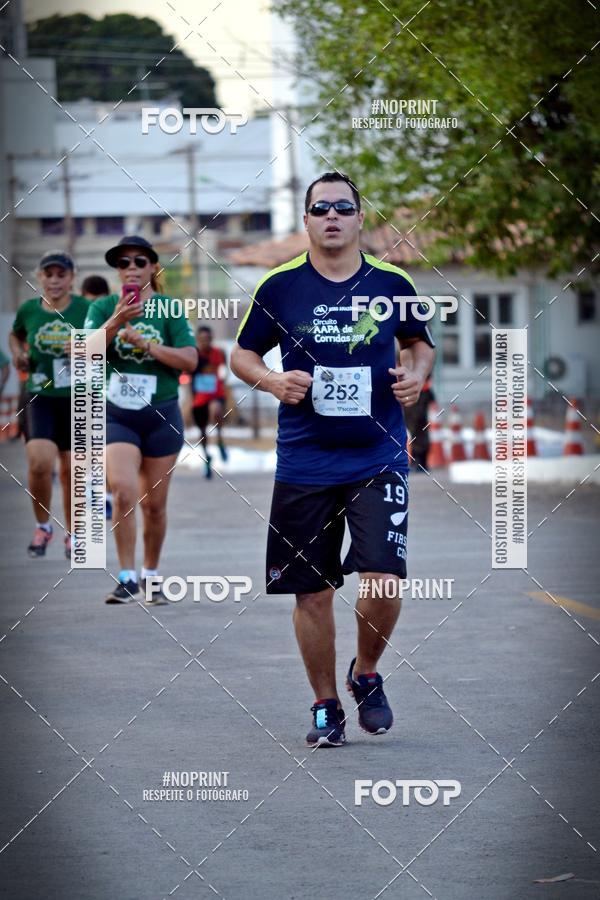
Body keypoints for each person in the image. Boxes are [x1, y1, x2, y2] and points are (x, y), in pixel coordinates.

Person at [231, 172, 436, 747]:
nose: (332, 216)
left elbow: (419, 343)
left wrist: (416, 377)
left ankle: (365, 672)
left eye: (343, 207)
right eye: (320, 207)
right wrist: (271, 380)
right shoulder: (280, 287)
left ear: (359, 218)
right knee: (312, 592)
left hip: (378, 456)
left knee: (385, 579)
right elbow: (241, 355)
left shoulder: (392, 283)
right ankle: (325, 705)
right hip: (305, 463)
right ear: (306, 219)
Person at [84, 236, 197, 604]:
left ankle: (151, 575)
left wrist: (146, 344)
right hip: (118, 416)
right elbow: (87, 353)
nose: (131, 268)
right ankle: (126, 576)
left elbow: (189, 360)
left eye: (139, 262)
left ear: (152, 268)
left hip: (161, 415)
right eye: (123, 263)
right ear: (117, 271)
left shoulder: (168, 308)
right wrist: (117, 321)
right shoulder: (102, 307)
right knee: (123, 491)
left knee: (154, 506)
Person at [8, 251, 89, 558]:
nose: (55, 281)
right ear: (39, 277)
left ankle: (75, 534)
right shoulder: (29, 310)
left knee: (71, 472)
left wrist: (85, 345)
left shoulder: (86, 308)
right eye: (49, 274)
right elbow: (14, 335)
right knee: (40, 465)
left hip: (77, 397)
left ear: (72, 278)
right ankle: (44, 526)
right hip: (40, 394)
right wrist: (18, 352)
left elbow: (106, 339)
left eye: (61, 275)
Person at [80, 273, 114, 517]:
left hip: (107, 390)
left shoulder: (108, 314)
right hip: (89, 388)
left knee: (105, 447)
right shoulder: (90, 316)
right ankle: (96, 489)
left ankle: (106, 495)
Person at [190, 325, 228, 478]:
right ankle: (207, 458)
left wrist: (222, 378)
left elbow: (224, 370)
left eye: (208, 338)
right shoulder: (193, 355)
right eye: (202, 339)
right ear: (198, 340)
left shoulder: (218, 353)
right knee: (202, 431)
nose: (206, 341)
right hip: (199, 398)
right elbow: (186, 374)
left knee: (216, 411)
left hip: (215, 394)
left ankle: (219, 440)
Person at [403, 376, 435, 471]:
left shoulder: (425, 387)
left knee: (420, 437)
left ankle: (421, 463)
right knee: (414, 437)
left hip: (418, 415)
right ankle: (417, 462)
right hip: (412, 413)